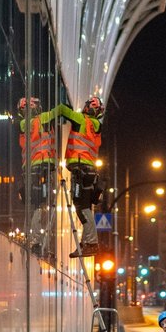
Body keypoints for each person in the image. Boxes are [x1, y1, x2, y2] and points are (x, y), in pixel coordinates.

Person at [56, 97, 104, 258]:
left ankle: (91, 243)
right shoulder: (95, 126)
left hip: (81, 170)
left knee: (81, 208)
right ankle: (85, 244)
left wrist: (62, 106)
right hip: (88, 171)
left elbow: (63, 110)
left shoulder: (83, 120)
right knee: (84, 207)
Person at [17, 96, 57, 256]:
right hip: (43, 167)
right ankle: (36, 240)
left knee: (34, 203)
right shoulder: (40, 121)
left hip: (33, 168)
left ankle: (34, 239)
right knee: (39, 203)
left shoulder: (25, 123)